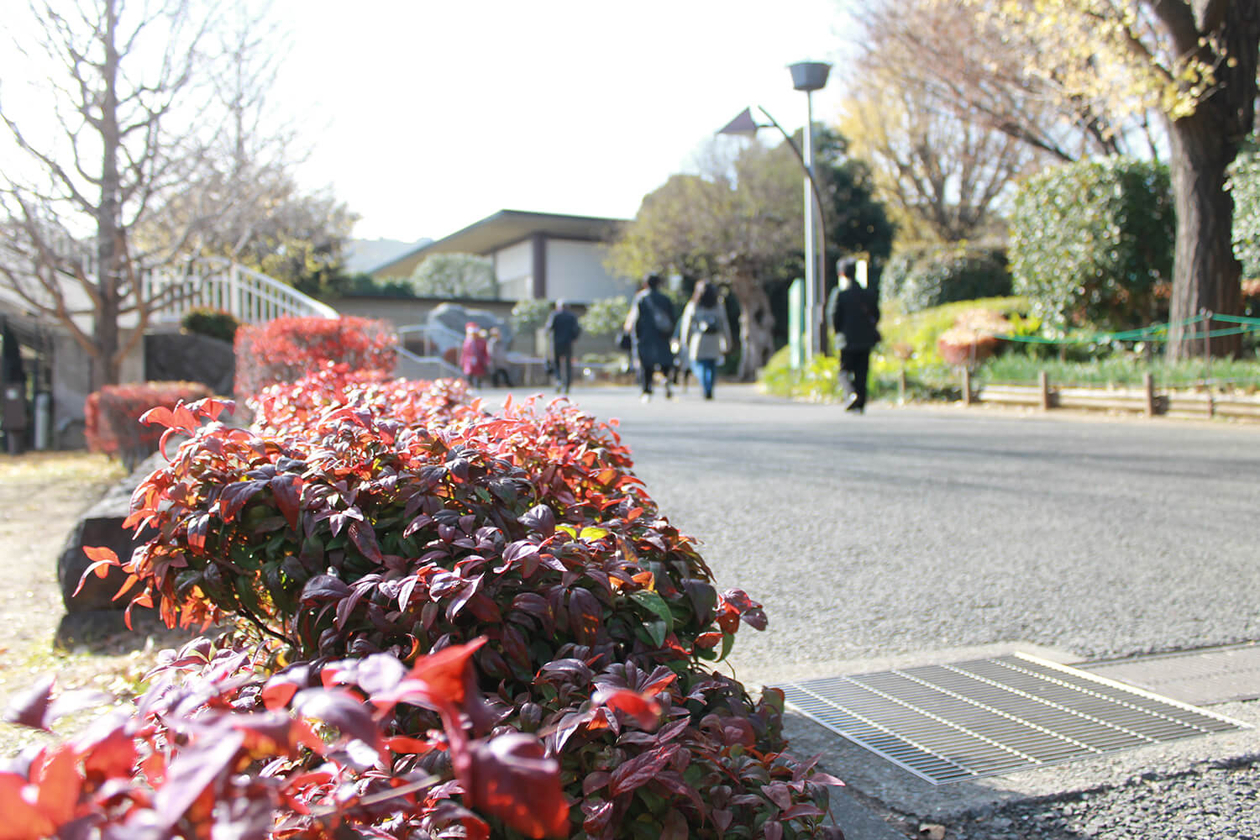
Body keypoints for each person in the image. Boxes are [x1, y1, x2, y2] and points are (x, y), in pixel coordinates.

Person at [826, 258, 881, 413]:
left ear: (841, 273)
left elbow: (833, 316)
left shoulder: (840, 295)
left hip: (847, 340)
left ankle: (851, 394)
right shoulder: (868, 294)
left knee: (844, 370)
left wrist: (838, 333)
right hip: (865, 339)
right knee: (862, 371)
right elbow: (876, 315)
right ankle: (861, 402)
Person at [624, 273, 676, 401]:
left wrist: (635, 336)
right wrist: (670, 334)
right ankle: (665, 379)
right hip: (662, 335)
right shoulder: (665, 299)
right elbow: (672, 318)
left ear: (645, 284)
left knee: (646, 363)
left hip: (645, 336)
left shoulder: (641, 298)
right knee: (664, 360)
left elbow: (635, 318)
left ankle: (647, 389)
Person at [679, 280, 733, 400]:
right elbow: (724, 324)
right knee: (711, 365)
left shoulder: (694, 305)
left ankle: (705, 386)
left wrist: (685, 341)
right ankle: (709, 387)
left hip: (699, 339)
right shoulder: (718, 304)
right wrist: (727, 341)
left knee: (700, 364)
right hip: (714, 339)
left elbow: (687, 325)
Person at [544, 300, 581, 394]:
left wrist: (548, 337)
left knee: (556, 363)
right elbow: (577, 329)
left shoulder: (555, 315)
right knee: (568, 364)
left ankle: (559, 380)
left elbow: (549, 328)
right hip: (568, 343)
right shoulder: (572, 316)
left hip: (556, 343)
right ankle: (567, 385)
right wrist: (573, 338)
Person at [460, 322, 489, 388]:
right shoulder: (467, 341)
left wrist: (486, 361)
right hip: (469, 362)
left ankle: (478, 387)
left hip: (479, 361)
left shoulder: (482, 341)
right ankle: (470, 388)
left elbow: (485, 352)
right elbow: (464, 353)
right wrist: (462, 362)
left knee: (479, 376)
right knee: (469, 376)